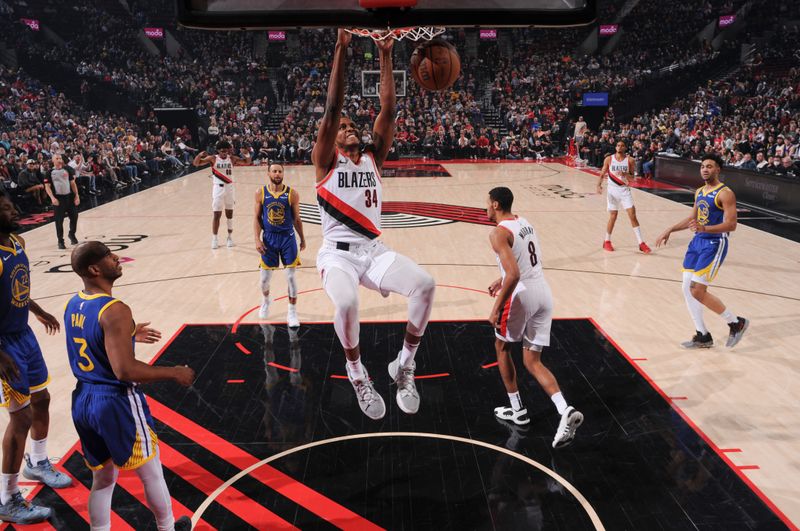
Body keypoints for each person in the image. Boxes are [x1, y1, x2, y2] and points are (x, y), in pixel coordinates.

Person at [312, 30, 436, 419]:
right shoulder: (326, 161)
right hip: (337, 256)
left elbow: (389, 108)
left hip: (374, 251)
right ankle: (356, 372)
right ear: (333, 137)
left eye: (352, 125)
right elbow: (332, 108)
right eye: (343, 126)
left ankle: (403, 365)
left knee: (425, 285)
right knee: (347, 302)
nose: (348, 127)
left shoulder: (372, 158)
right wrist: (341, 48)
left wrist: (386, 53)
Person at [66, 241, 195, 530]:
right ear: (94, 269)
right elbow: (125, 370)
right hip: (115, 401)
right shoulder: (115, 310)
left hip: (84, 400)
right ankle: (168, 528)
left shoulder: (73, 303)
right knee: (151, 471)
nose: (116, 258)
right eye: (109, 256)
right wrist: (173, 372)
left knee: (103, 478)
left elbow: (90, 339)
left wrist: (129, 335)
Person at [486, 187, 583, 448]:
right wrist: (501, 278)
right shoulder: (524, 222)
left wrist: (497, 306)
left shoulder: (497, 233)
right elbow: (525, 264)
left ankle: (517, 409)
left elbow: (515, 274)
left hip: (522, 295)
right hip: (543, 292)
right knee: (532, 359)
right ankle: (565, 410)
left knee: (502, 346)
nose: (486, 207)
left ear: (495, 204)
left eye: (487, 202)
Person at [0, 194, 71, 525]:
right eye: (5, 209)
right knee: (21, 418)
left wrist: (38, 311)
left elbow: (19, 290)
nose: (13, 211)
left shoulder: (17, 241)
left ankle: (38, 462)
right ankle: (8, 497)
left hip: (23, 334)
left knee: (42, 399)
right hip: (3, 345)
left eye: (11, 206)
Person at [656, 154, 748, 348]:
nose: (705, 169)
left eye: (709, 166)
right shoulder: (699, 192)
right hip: (697, 241)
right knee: (686, 288)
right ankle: (703, 335)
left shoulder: (725, 193)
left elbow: (731, 225)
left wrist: (705, 229)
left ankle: (735, 322)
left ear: (718, 170)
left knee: (697, 290)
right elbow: (693, 220)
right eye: (703, 166)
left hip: (715, 243)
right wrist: (670, 229)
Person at [254, 162, 306, 326]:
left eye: (280, 171)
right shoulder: (260, 192)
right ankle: (266, 301)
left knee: (290, 277)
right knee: (264, 280)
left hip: (287, 238)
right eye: (274, 171)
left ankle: (292, 312)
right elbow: (256, 218)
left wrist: (302, 238)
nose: (277, 174)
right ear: (268, 173)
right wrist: (257, 239)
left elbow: (297, 219)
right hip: (269, 238)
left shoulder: (292, 194)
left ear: (283, 174)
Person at [193, 140, 252, 249]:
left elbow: (247, 162)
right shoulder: (213, 158)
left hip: (229, 188)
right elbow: (196, 163)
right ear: (218, 151)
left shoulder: (232, 158)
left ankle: (229, 237)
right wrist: (199, 155)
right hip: (217, 188)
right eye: (222, 151)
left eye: (226, 150)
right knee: (216, 215)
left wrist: (247, 153)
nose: (224, 152)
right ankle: (214, 238)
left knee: (229, 215)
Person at [596, 141, 651, 253]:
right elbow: (602, 173)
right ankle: (607, 241)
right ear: (615, 147)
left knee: (632, 215)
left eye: (621, 145)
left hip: (624, 190)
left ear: (625, 147)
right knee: (613, 216)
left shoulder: (630, 160)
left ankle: (641, 243)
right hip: (612, 190)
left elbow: (633, 178)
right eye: (618, 145)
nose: (619, 147)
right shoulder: (609, 159)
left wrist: (625, 174)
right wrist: (598, 185)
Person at [43, 154, 80, 250]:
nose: (59, 160)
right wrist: (52, 198)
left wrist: (76, 195)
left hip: (69, 197)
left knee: (75, 217)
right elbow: (47, 187)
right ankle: (60, 240)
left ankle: (72, 234)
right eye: (57, 158)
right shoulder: (49, 172)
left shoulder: (67, 169)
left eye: (60, 158)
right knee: (59, 221)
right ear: (53, 161)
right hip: (58, 199)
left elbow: (73, 183)